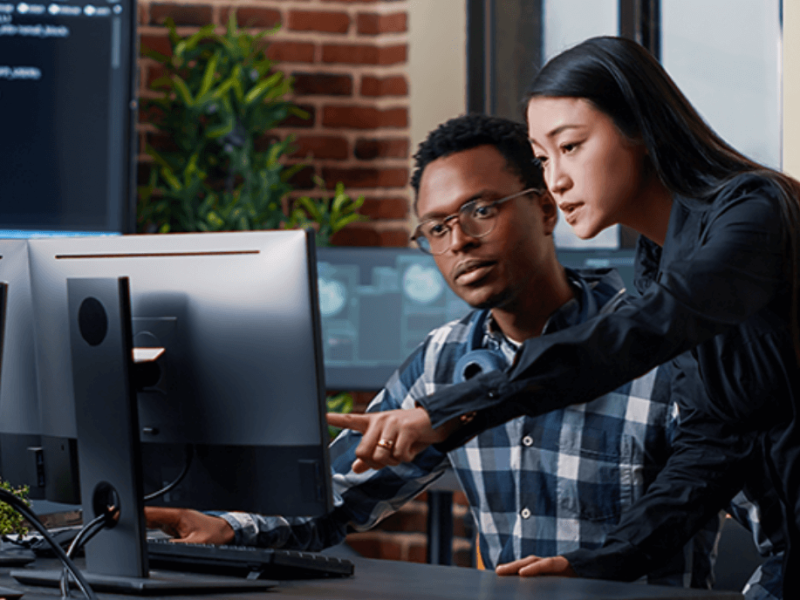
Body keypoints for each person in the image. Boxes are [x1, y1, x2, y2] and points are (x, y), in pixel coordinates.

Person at [146, 114, 719, 588]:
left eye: (481, 211)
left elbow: (758, 506)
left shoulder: (664, 348)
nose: (458, 242)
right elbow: (338, 497)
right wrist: (226, 527)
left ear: (546, 207)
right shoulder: (443, 360)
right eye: (436, 229)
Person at [333, 37, 800, 599]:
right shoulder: (657, 265)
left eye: (571, 147)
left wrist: (452, 410)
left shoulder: (756, 212)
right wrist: (594, 566)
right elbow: (714, 446)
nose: (555, 180)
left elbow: (644, 331)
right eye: (543, 158)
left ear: (641, 128)